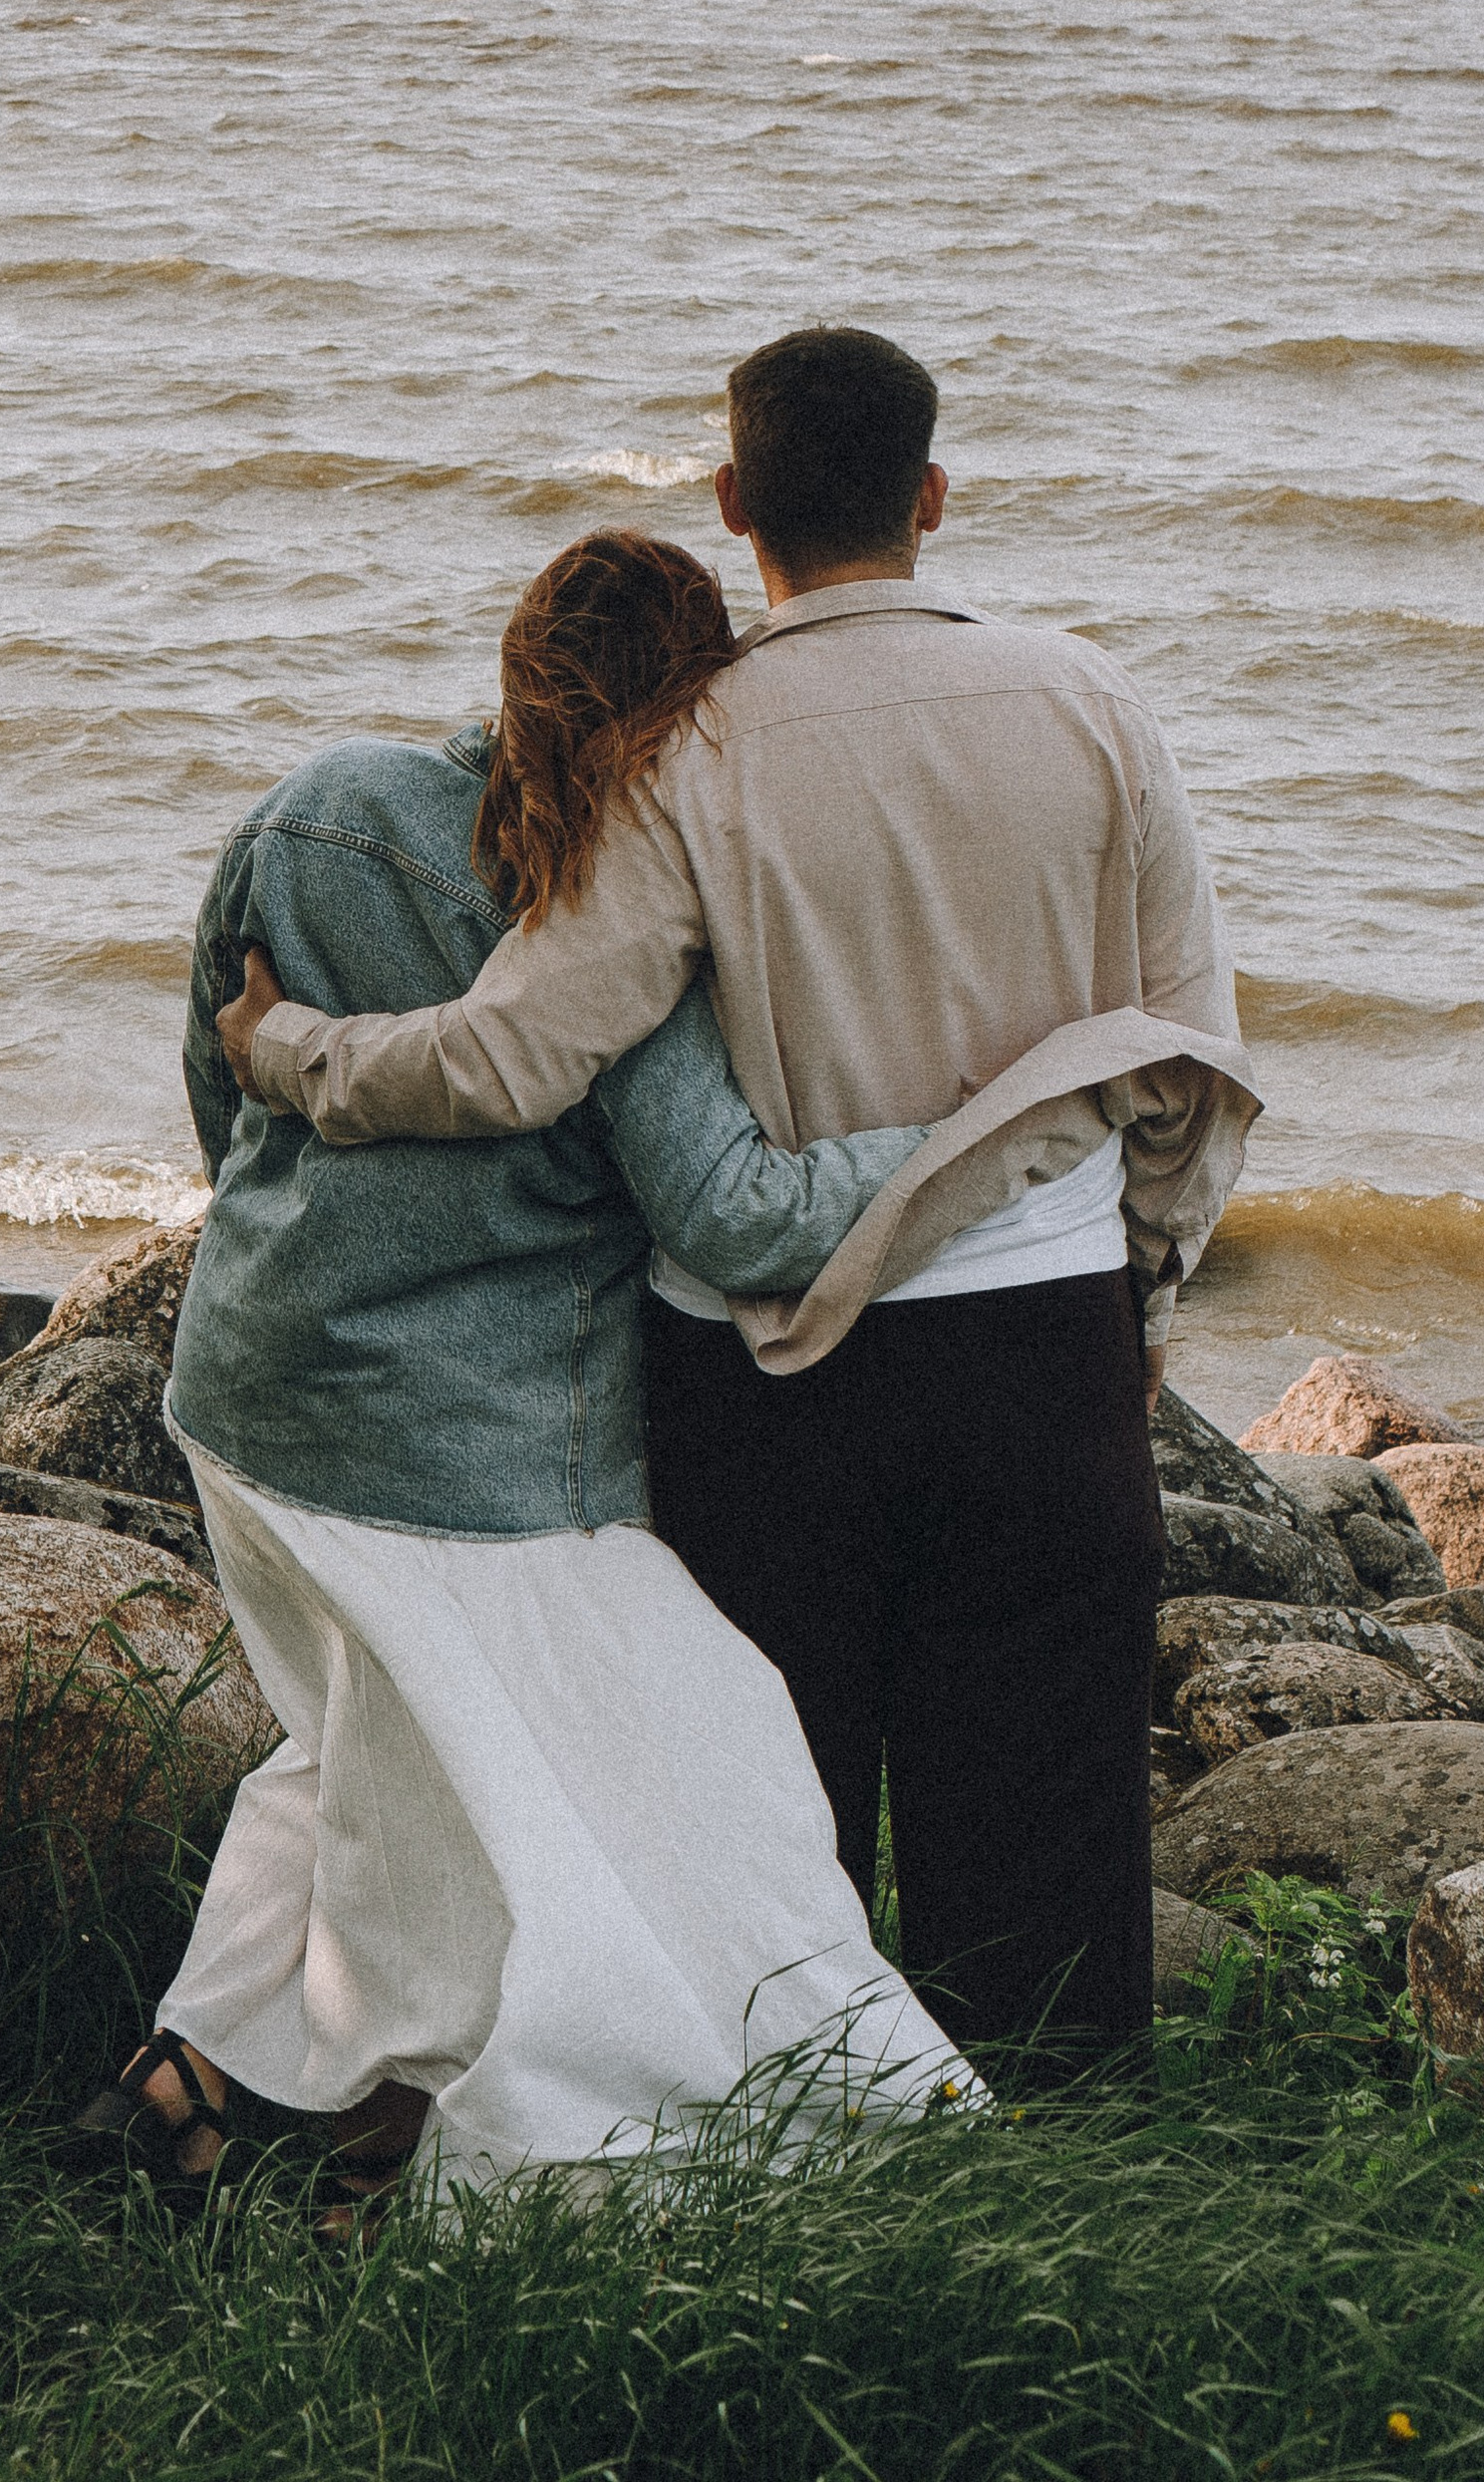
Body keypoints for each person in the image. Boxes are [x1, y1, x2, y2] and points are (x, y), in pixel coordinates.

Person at [220, 331, 1259, 2084]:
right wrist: (1140, 1302)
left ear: (731, 504)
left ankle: (799, 2168)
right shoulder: (1091, 703)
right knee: (1049, 1829)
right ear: (931, 497)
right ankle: (1068, 2201)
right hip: (1041, 1349)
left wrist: (290, 1051)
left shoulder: (686, 752)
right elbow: (1188, 1062)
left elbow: (513, 1058)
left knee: (774, 1832)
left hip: (772, 1388)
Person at [76, 529, 1087, 2227]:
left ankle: (196, 2096)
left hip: (248, 1390)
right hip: (474, 1459)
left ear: (512, 665)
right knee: (695, 1759)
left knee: (363, 1755)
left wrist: (298, 1259)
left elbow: (217, 1064)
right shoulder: (622, 920)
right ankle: (556, 2148)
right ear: (701, 713)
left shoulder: (320, 804)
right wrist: (988, 1130)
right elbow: (740, 1216)